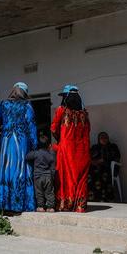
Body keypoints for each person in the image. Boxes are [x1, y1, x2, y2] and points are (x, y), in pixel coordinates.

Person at [0, 82, 38, 213]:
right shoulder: (27, 106)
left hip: (7, 141)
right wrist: (35, 144)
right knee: (21, 169)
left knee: (7, 169)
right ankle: (19, 205)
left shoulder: (3, 104)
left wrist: (3, 129)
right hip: (21, 142)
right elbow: (31, 126)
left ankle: (5, 204)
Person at [51, 85, 91, 213]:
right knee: (81, 178)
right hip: (83, 150)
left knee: (66, 176)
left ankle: (66, 205)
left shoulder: (61, 110)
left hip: (67, 149)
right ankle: (80, 206)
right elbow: (88, 130)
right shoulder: (85, 114)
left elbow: (54, 129)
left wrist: (61, 139)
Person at [26, 134, 56, 212]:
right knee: (49, 192)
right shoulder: (51, 155)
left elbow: (27, 156)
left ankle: (41, 206)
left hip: (38, 176)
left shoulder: (36, 153)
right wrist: (52, 177)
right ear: (49, 145)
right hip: (48, 176)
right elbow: (53, 168)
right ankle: (50, 207)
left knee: (39, 192)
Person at [89, 132, 121, 202]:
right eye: (102, 138)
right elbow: (89, 157)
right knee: (90, 173)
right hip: (95, 167)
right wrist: (94, 162)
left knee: (101, 173)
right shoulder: (95, 147)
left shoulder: (112, 147)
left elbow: (117, 157)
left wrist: (103, 160)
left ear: (108, 139)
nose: (104, 139)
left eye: (105, 137)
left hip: (109, 168)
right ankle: (93, 197)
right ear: (99, 139)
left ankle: (104, 197)